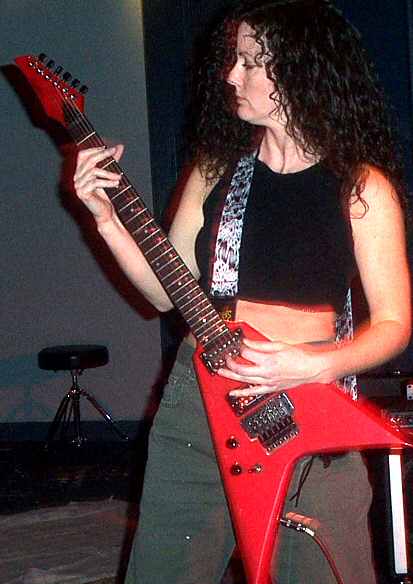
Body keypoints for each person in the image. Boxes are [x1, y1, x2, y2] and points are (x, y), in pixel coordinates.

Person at [73, 1, 411, 582]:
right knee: (166, 568)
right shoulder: (216, 170)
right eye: (234, 59)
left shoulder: (361, 187)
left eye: (251, 61)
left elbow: (394, 324)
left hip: (307, 407)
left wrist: (314, 363)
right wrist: (106, 221)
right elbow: (165, 293)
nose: (231, 74)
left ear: (300, 71)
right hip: (199, 399)